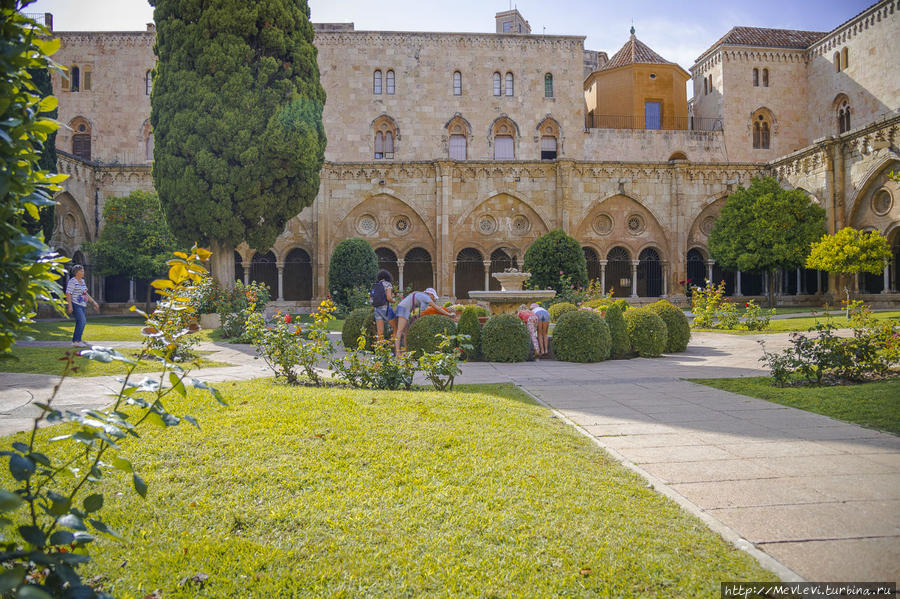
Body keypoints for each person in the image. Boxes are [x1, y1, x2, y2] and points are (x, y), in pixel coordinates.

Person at [393, 287, 454, 356]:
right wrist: (449, 314)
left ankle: (406, 351)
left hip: (403, 308)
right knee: (399, 331)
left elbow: (422, 312)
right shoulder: (426, 298)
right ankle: (397, 353)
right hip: (403, 309)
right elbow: (436, 308)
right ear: (430, 294)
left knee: (406, 331)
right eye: (433, 297)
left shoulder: (421, 295)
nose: (433, 299)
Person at [65, 264, 99, 347]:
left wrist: (93, 302)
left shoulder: (82, 281)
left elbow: (85, 293)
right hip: (75, 304)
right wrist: (70, 306)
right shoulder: (72, 281)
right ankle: (76, 341)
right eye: (82, 271)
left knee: (80, 322)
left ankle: (77, 341)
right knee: (82, 321)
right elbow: (68, 293)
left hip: (82, 305)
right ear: (77, 272)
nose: (83, 272)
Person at [371, 269, 396, 341]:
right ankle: (394, 347)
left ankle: (380, 350)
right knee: (395, 328)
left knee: (380, 332)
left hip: (377, 309)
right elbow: (389, 298)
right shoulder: (388, 284)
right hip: (386, 309)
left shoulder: (376, 285)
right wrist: (393, 300)